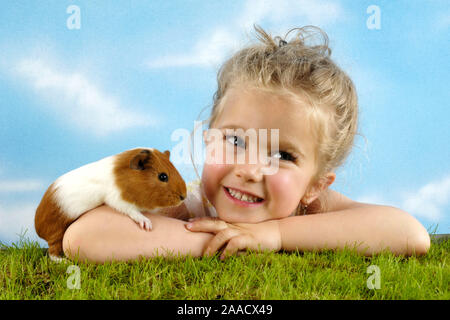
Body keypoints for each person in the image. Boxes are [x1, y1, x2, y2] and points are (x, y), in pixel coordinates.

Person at [62, 25, 430, 263]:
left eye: (282, 155)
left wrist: (275, 233)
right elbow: (84, 236)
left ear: (316, 185)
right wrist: (220, 241)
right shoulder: (192, 205)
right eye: (235, 140)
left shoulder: (315, 207)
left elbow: (409, 233)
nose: (250, 169)